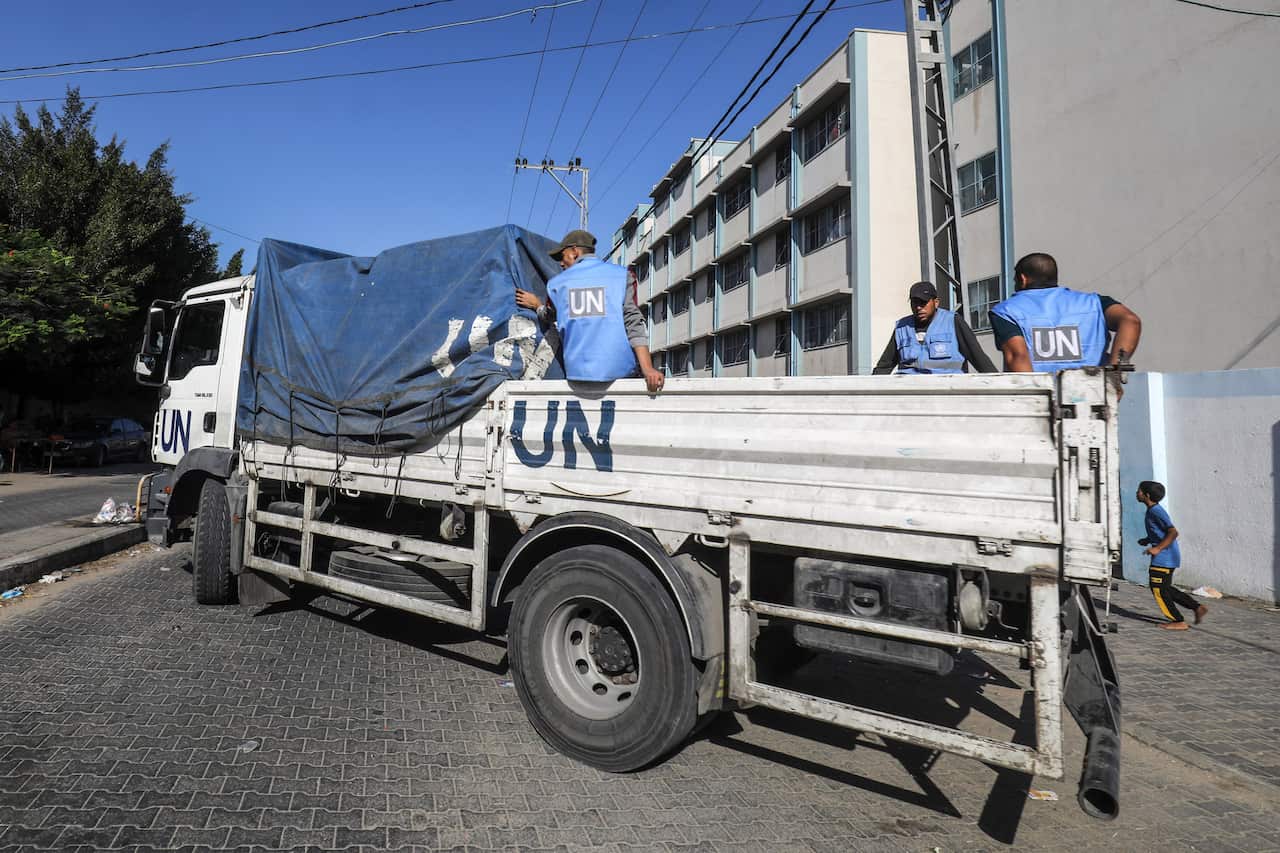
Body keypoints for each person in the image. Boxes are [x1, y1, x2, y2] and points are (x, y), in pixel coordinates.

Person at [515, 229, 664, 393]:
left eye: (562, 257)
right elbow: (633, 323)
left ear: (574, 251)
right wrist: (648, 369)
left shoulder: (556, 284)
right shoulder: (622, 276)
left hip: (576, 374)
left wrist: (536, 305)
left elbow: (551, 315)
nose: (560, 263)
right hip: (621, 372)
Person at [989, 252, 1142, 373]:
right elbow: (1130, 321)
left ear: (1023, 279)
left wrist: (1036, 401)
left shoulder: (1006, 311)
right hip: (1095, 398)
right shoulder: (1095, 303)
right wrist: (1114, 373)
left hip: (1040, 402)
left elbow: (1018, 357)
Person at [872, 281, 997, 375]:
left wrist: (999, 386)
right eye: (915, 303)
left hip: (948, 390)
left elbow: (978, 358)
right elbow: (884, 366)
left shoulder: (953, 321)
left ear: (936, 302)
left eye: (923, 302)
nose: (919, 307)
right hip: (910, 394)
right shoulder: (901, 327)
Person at [1137, 480, 1206, 631]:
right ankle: (1197, 607)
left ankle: (1178, 621)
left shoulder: (1156, 511)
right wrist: (1148, 540)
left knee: (1158, 589)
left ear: (1147, 495)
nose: (1137, 493)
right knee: (1166, 588)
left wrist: (1157, 549)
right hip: (1168, 556)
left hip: (1164, 558)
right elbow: (1160, 532)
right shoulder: (1152, 510)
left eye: (1139, 491)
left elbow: (1173, 532)